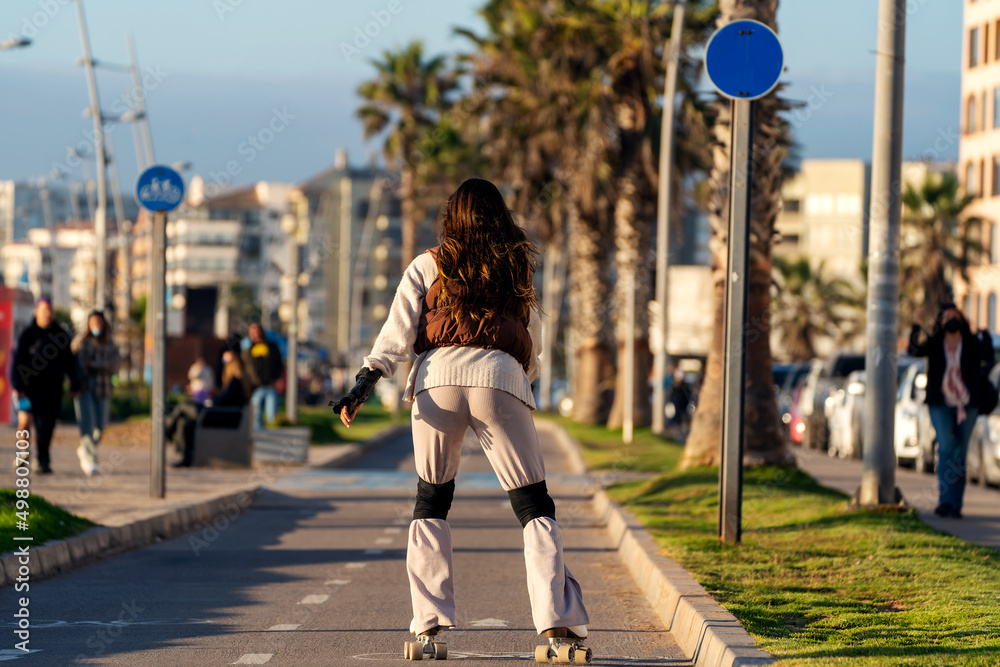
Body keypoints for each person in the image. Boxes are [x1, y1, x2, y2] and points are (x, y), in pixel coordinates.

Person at [331, 178, 589, 657]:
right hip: (500, 377)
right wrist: (521, 380)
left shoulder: (427, 264)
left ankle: (426, 628)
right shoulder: (515, 267)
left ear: (452, 217)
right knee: (533, 505)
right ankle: (557, 626)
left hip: (437, 381)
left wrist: (362, 385)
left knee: (431, 500)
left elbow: (397, 331)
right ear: (500, 216)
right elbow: (531, 338)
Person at [909, 304, 991, 519]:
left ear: (962, 320)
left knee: (960, 454)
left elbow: (988, 356)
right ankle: (944, 501)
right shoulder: (936, 342)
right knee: (946, 447)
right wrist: (916, 325)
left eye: (955, 316)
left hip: (967, 404)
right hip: (940, 403)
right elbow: (914, 351)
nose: (951, 319)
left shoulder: (970, 342)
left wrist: (984, 335)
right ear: (941, 322)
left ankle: (956, 505)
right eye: (947, 317)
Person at [11, 297, 80, 474]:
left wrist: (75, 383)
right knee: (24, 422)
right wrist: (17, 386)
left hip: (52, 390)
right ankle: (22, 453)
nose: (47, 314)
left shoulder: (60, 336)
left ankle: (43, 460)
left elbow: (69, 362)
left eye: (49, 310)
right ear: (37, 312)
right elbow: (17, 360)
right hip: (27, 389)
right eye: (43, 310)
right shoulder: (28, 334)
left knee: (45, 427)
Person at [168, 350, 250, 467]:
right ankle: (186, 458)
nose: (223, 365)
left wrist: (212, 401)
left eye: (225, 362)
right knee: (184, 422)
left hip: (220, 415)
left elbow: (224, 401)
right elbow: (225, 399)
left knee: (183, 407)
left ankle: (167, 431)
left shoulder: (235, 382)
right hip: (220, 413)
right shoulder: (234, 382)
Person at [71, 310, 120, 476]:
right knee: (87, 423)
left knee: (101, 424)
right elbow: (75, 364)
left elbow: (113, 365)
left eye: (99, 322)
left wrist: (95, 364)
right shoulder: (81, 342)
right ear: (88, 325)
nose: (96, 326)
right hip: (84, 387)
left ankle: (84, 448)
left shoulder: (111, 344)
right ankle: (90, 460)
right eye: (93, 323)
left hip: (103, 387)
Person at [241, 323, 283, 430]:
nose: (256, 334)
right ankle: (259, 440)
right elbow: (245, 368)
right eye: (253, 332)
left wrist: (276, 379)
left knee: (271, 416)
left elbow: (279, 364)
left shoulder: (271, 347)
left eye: (258, 331)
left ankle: (273, 438)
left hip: (270, 386)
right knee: (256, 417)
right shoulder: (248, 349)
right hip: (255, 387)